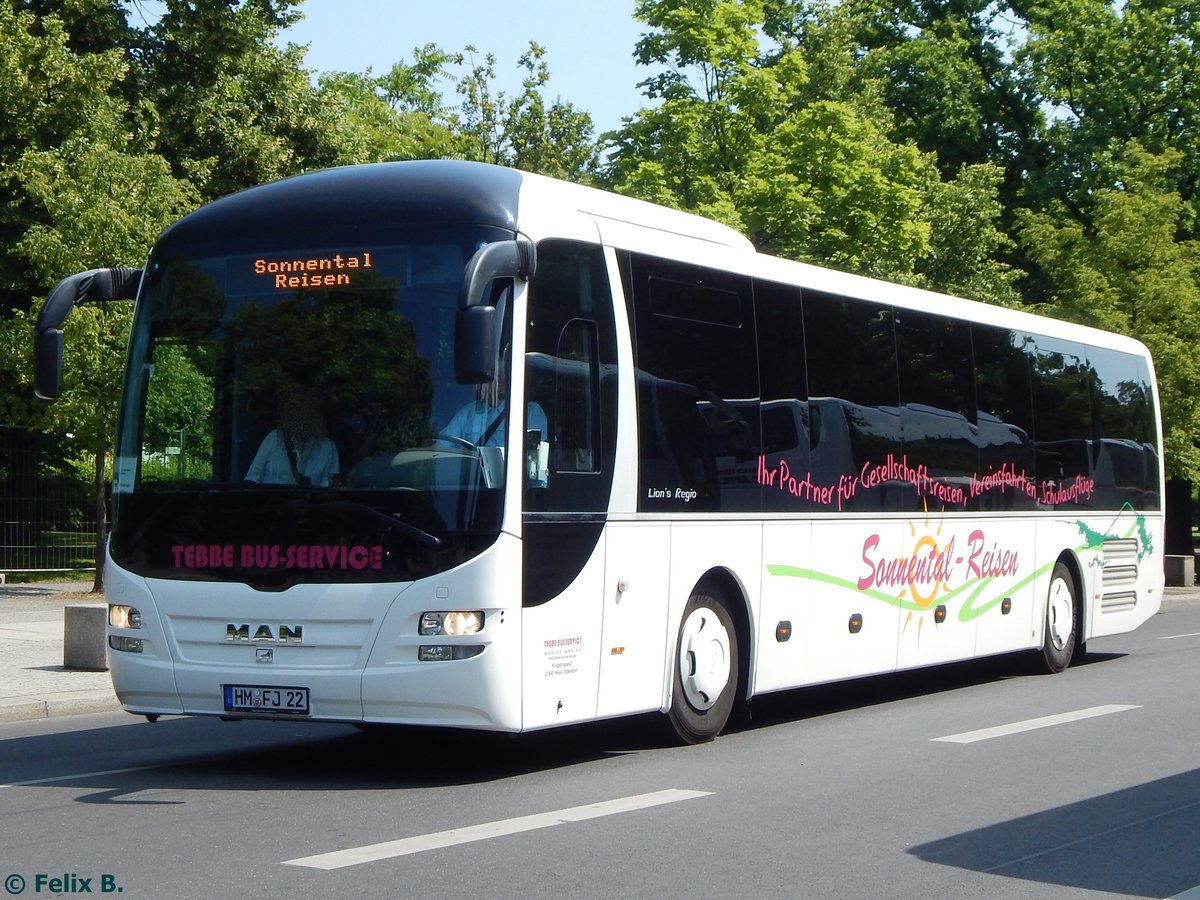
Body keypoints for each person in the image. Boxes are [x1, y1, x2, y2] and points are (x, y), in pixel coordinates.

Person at [245, 392, 340, 486]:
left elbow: (328, 487)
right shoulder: (274, 438)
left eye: (307, 412)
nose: (302, 417)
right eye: (297, 411)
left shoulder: (328, 447)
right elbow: (253, 477)